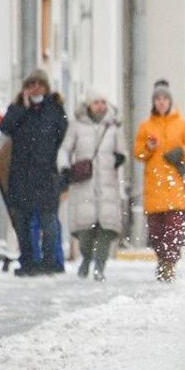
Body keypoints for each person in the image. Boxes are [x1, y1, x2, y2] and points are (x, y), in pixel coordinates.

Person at [0, 69, 68, 276]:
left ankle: (49, 262)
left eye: (40, 84)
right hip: (21, 176)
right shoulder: (18, 110)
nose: (36, 88)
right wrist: (22, 108)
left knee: (48, 223)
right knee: (22, 223)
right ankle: (27, 262)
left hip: (46, 175)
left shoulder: (54, 110)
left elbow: (63, 137)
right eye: (31, 85)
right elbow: (5, 127)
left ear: (46, 87)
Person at [135, 79, 185, 282]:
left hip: (176, 188)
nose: (161, 102)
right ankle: (162, 260)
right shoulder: (146, 127)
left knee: (173, 233)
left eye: (164, 99)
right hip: (154, 188)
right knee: (156, 234)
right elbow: (138, 153)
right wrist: (149, 148)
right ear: (154, 102)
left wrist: (182, 151)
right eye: (158, 99)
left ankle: (169, 264)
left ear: (170, 101)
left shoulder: (182, 124)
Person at [58, 90, 126, 281]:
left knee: (106, 228)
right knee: (86, 229)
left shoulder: (113, 127)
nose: (100, 106)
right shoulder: (76, 126)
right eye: (96, 102)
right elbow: (65, 149)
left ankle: (100, 265)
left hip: (107, 182)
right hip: (84, 183)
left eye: (103, 102)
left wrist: (121, 158)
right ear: (88, 105)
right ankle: (86, 258)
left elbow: (122, 150)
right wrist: (64, 167)